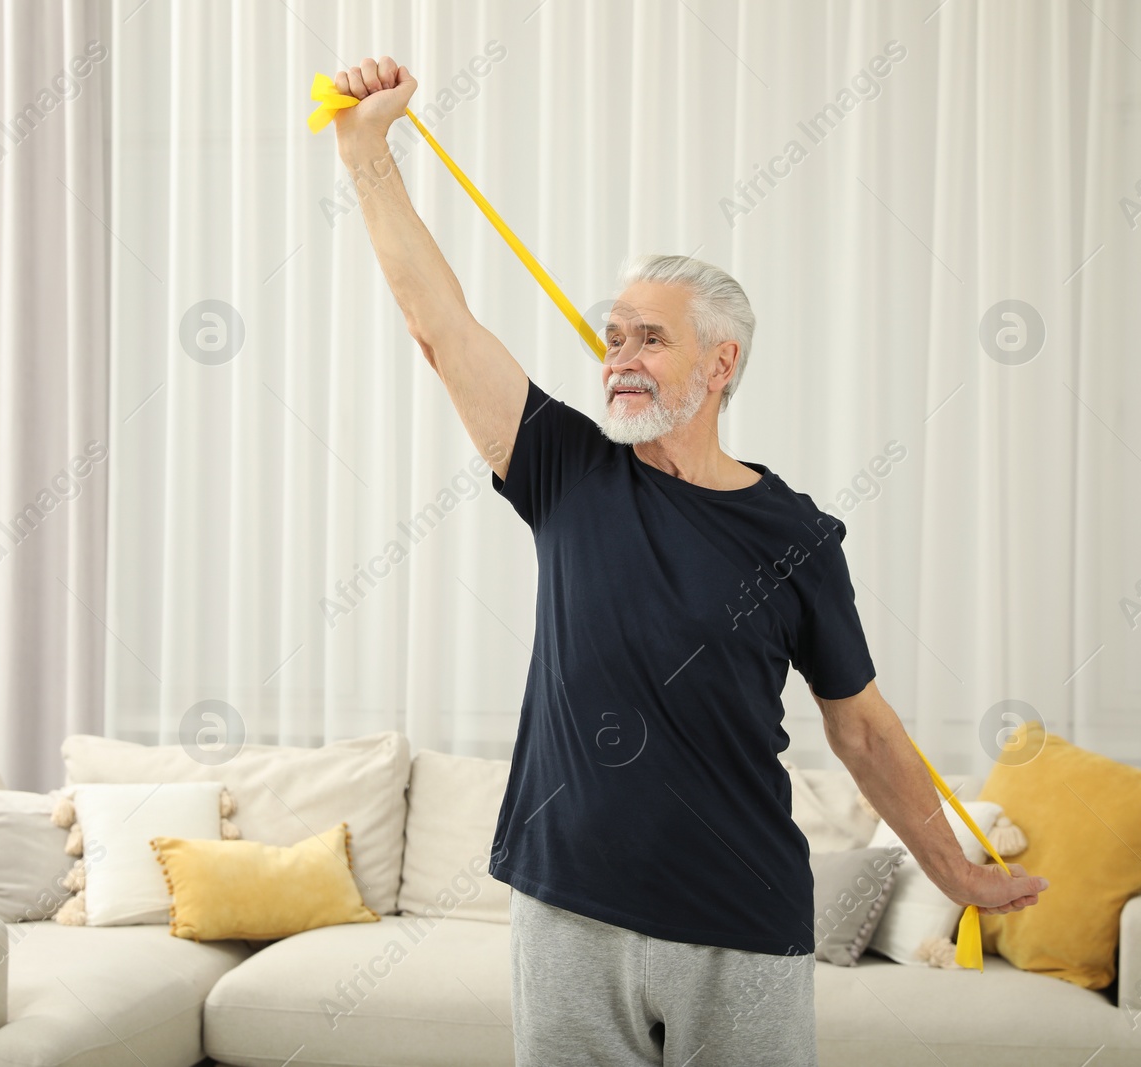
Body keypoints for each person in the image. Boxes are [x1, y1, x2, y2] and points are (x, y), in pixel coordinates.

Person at [327, 56, 1050, 1067]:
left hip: (739, 911)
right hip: (565, 902)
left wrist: (955, 872)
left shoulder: (795, 535)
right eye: (611, 337)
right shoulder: (565, 467)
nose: (617, 356)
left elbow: (866, 730)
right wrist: (366, 147)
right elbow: (437, 325)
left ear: (719, 364)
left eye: (649, 340)